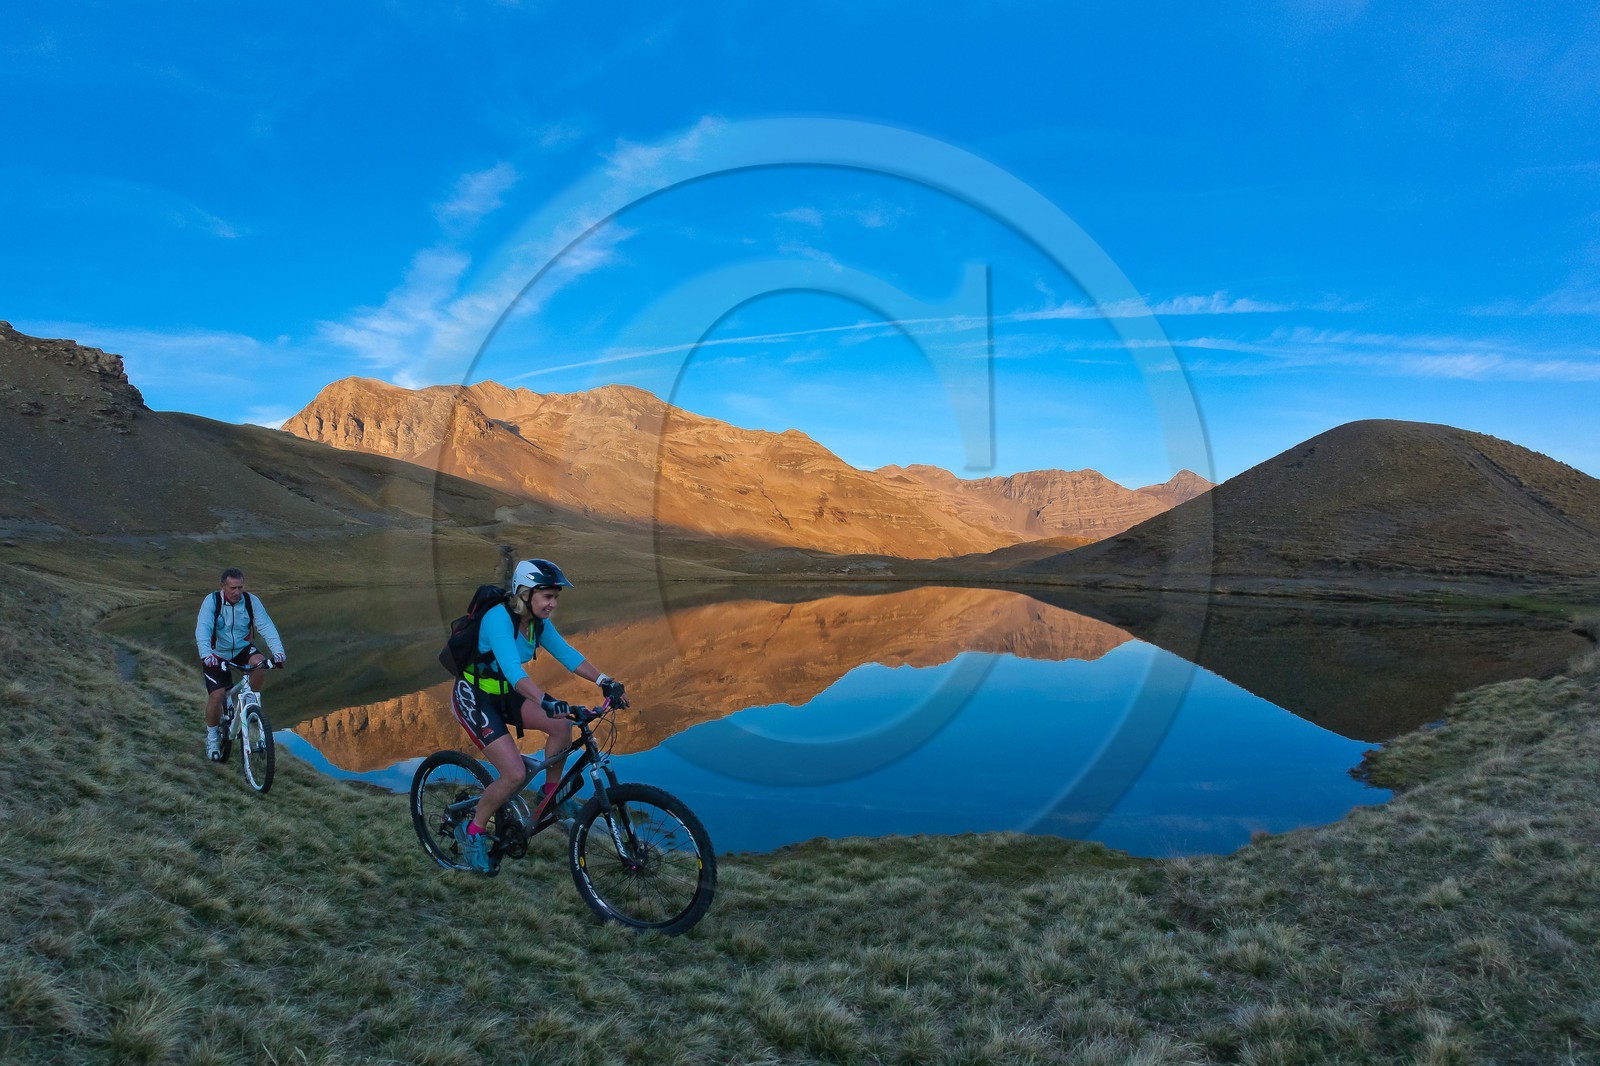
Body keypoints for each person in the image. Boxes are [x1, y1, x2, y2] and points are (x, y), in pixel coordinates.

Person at [448, 557, 629, 873]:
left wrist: (605, 681)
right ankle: (472, 830)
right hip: (474, 696)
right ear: (525, 593)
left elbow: (567, 654)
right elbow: (513, 670)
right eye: (548, 596)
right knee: (514, 774)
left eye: (556, 597)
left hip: (505, 693)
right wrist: (545, 700)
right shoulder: (498, 619)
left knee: (561, 726)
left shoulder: (536, 623)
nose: (553, 603)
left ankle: (551, 795)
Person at [194, 566, 286, 761]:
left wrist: (278, 652)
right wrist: (206, 655)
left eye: (240, 588)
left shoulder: (251, 601)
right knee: (217, 695)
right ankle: (212, 738)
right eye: (232, 588)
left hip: (242, 648)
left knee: (260, 665)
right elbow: (203, 628)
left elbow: (266, 625)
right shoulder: (212, 602)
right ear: (223, 586)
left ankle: (249, 705)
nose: (237, 592)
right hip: (217, 653)